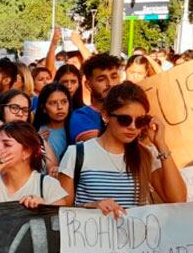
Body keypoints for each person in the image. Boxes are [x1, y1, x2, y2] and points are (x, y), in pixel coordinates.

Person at [59, 81, 187, 216]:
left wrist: (161, 144)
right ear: (106, 115)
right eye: (124, 120)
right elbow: (62, 212)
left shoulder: (146, 154)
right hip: (94, 234)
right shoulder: (77, 153)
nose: (132, 127)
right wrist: (91, 207)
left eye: (139, 121)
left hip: (137, 234)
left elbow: (178, 200)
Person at [0, 122, 67, 208]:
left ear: (26, 152)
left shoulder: (48, 185)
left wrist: (44, 207)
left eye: (7, 144)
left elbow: (62, 219)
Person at [69, 53, 122, 143]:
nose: (110, 84)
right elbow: (98, 148)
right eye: (101, 79)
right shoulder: (81, 116)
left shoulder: (126, 111)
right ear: (88, 85)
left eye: (114, 77)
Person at [33, 83, 73, 160]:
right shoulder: (39, 133)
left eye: (64, 101)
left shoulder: (76, 129)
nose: (60, 107)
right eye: (53, 103)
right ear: (43, 108)